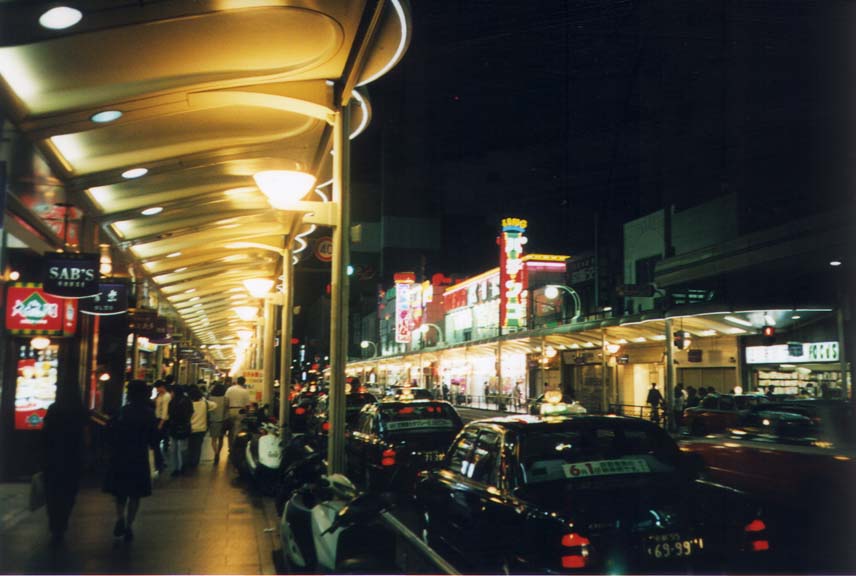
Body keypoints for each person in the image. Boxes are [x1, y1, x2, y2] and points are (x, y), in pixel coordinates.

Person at [102, 380, 158, 542]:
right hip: (138, 457)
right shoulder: (148, 413)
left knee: (120, 492)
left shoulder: (121, 412)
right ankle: (129, 525)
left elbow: (108, 433)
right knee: (135, 494)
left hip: (119, 456)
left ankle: (120, 517)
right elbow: (153, 438)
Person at [42, 383, 89, 542]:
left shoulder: (54, 409)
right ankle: (62, 523)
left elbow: (45, 433)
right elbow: (85, 435)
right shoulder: (80, 410)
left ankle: (54, 524)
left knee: (52, 492)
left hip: (53, 457)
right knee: (69, 492)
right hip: (73, 457)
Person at [187, 385, 216, 469]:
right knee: (198, 447)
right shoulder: (205, 403)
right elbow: (215, 405)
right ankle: (195, 463)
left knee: (190, 446)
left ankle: (190, 461)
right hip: (201, 428)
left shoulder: (189, 404)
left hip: (190, 428)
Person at [168, 386, 193, 476]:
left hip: (174, 427)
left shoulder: (172, 402)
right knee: (183, 448)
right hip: (184, 427)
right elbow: (191, 412)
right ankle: (183, 466)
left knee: (173, 449)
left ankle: (175, 468)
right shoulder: (187, 400)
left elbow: (170, 414)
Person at [225, 376, 251, 450]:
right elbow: (247, 405)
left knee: (230, 430)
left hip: (230, 410)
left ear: (237, 381)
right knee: (237, 430)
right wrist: (247, 413)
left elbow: (226, 401)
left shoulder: (229, 389)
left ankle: (230, 447)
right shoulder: (244, 391)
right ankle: (235, 447)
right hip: (240, 411)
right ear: (244, 382)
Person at [207, 382, 230, 464]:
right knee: (221, 439)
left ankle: (215, 453)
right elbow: (227, 410)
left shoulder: (210, 398)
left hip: (213, 421)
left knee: (213, 439)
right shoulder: (225, 399)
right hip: (222, 421)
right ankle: (218, 453)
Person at [153, 380, 171, 472]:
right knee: (155, 442)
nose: (157, 389)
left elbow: (165, 410)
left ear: (162, 387)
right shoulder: (159, 395)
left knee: (156, 442)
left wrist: (161, 424)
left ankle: (160, 462)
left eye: (158, 388)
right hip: (157, 419)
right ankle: (159, 462)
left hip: (162, 421)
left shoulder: (166, 396)